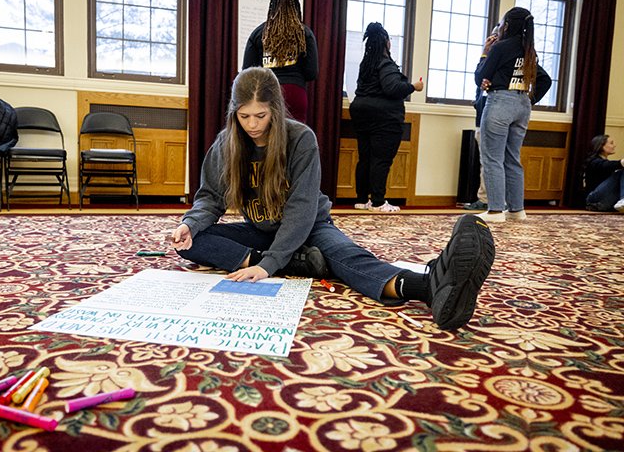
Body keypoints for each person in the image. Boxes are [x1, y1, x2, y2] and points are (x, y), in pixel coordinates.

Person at [170, 67, 496, 331]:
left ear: (276, 111)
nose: (253, 125)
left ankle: (429, 287)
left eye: (261, 115)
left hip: (310, 225)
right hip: (261, 230)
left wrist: (268, 265)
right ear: (234, 113)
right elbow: (210, 198)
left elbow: (300, 209)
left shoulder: (300, 139)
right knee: (192, 242)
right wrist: (190, 223)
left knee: (344, 256)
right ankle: (296, 261)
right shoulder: (226, 143)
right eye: (244, 116)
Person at [475, 7, 552, 223]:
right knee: (512, 159)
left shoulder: (500, 47)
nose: (499, 27)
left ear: (507, 25)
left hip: (500, 102)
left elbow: (480, 75)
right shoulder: (529, 50)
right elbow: (545, 81)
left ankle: (496, 211)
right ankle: (517, 210)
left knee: (492, 158)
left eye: (500, 24)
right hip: (522, 105)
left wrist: (485, 52)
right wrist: (528, 100)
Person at [348, 22, 423, 213]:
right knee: (381, 159)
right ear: (387, 43)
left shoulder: (366, 64)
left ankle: (362, 199)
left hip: (361, 111)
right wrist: (413, 86)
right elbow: (392, 88)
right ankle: (379, 202)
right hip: (384, 117)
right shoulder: (386, 63)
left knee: (365, 158)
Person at [242, 0, 318, 124]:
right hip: (296, 93)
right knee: (296, 139)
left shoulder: (258, 33)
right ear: (296, 5)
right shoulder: (305, 33)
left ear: (273, 4)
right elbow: (311, 73)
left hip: (267, 92)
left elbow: (247, 71)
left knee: (268, 139)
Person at [465, 26, 499, 212]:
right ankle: (489, 199)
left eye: (495, 35)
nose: (491, 39)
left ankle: (486, 199)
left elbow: (480, 76)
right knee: (487, 161)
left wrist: (485, 53)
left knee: (489, 162)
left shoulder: (500, 56)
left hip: (491, 119)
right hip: (482, 116)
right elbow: (481, 84)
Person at [583, 134, 624, 212]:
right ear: (602, 146)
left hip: (605, 200)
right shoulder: (593, 162)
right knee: (621, 172)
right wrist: (620, 163)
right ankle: (623, 199)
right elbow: (607, 165)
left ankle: (622, 201)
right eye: (611, 143)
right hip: (594, 200)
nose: (614, 146)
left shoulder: (602, 162)